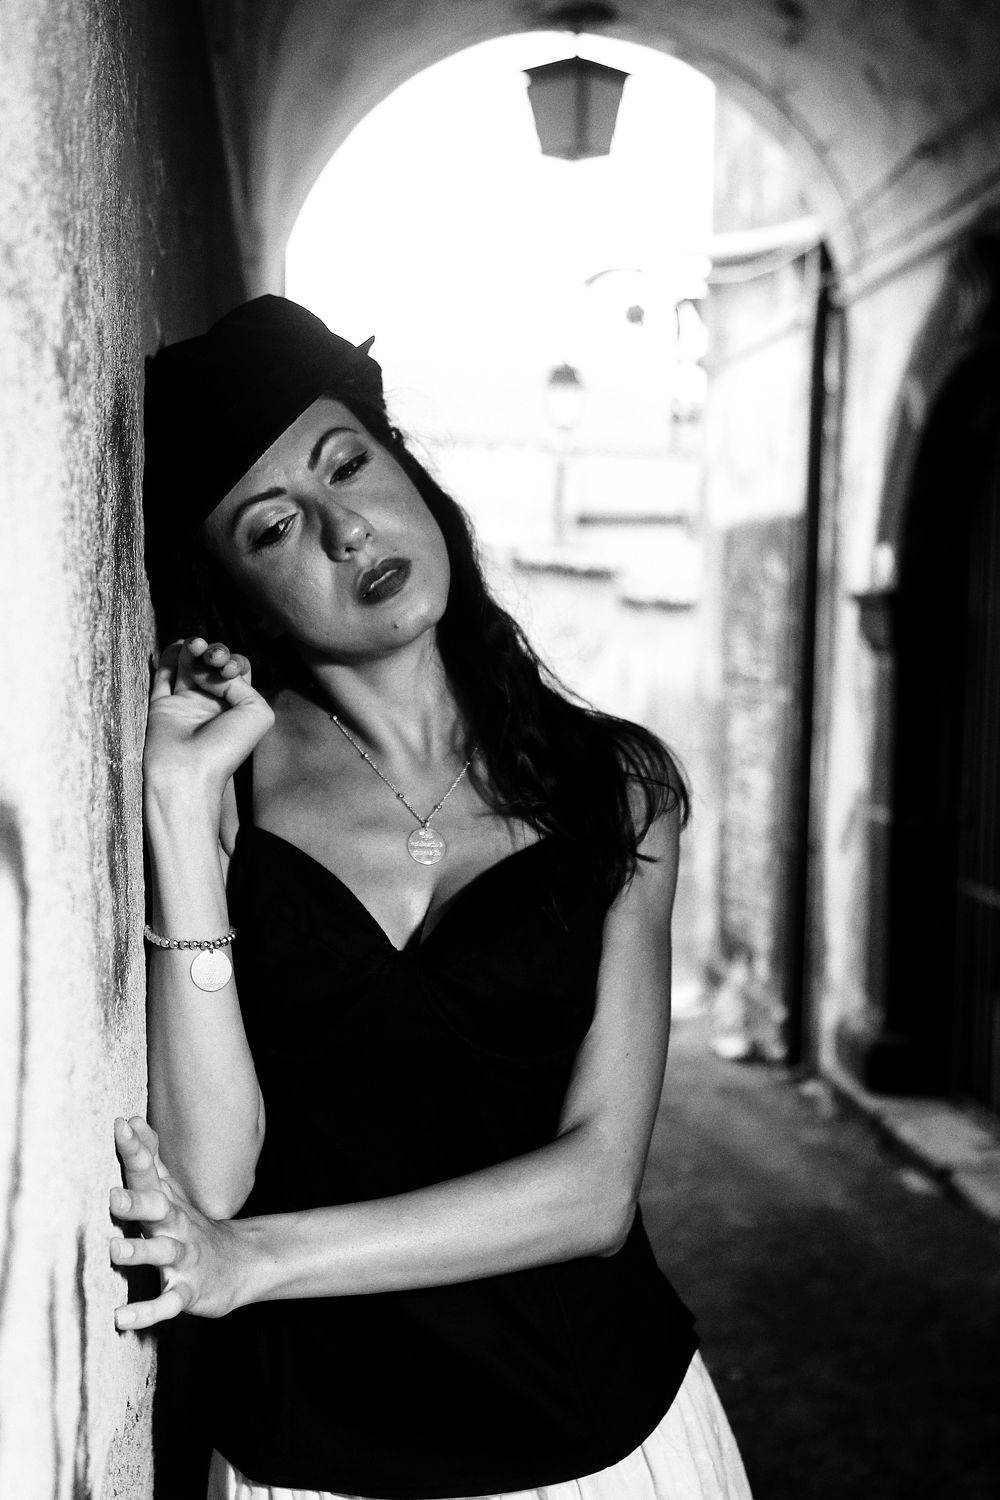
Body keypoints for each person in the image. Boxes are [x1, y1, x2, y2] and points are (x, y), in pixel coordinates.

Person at [111, 295, 754, 1500]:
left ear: (407, 470)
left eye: (348, 464)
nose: (345, 529)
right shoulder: (229, 789)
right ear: (239, 595)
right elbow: (209, 1180)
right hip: (318, 1459)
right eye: (273, 526)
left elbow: (595, 1191)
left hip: (604, 1438)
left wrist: (251, 1262)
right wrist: (182, 813)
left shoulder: (617, 789)